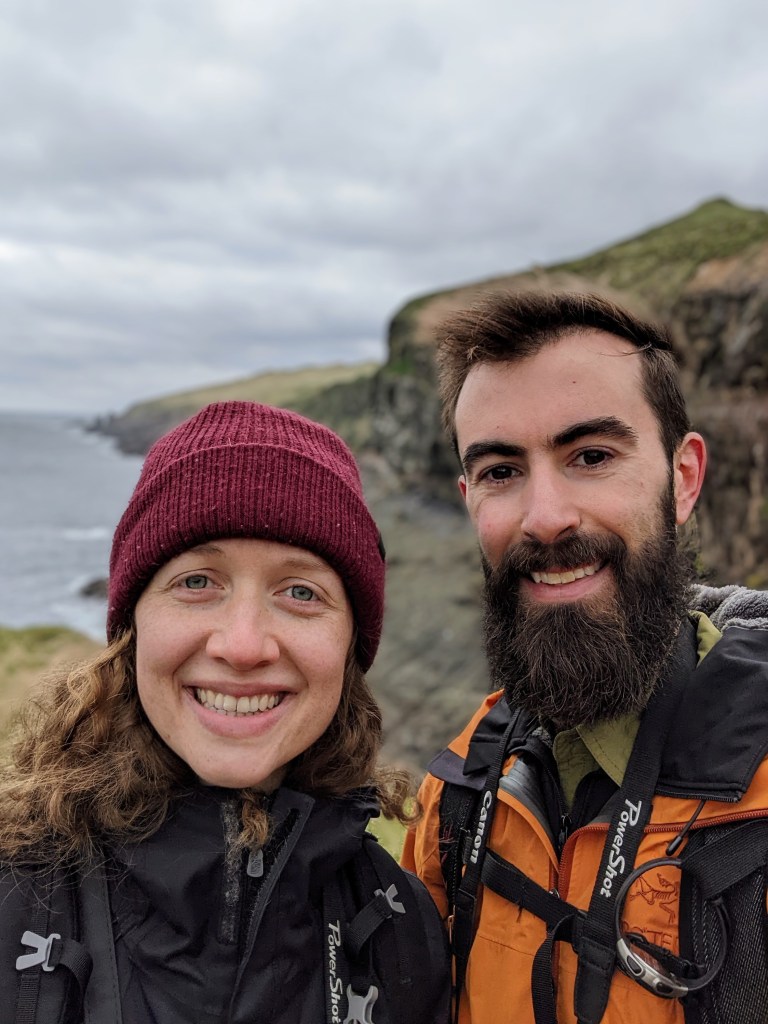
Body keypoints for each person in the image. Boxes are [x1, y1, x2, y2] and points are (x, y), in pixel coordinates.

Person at [0, 400, 450, 1024]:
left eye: (300, 592)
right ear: (133, 624)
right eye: (196, 582)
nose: (241, 646)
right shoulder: (12, 890)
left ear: (352, 644)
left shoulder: (403, 933)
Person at [401, 290, 768, 1024]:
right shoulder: (464, 787)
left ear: (683, 478)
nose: (545, 517)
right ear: (469, 497)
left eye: (591, 456)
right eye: (503, 471)